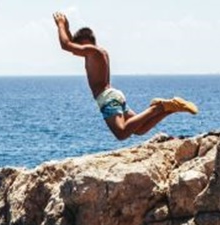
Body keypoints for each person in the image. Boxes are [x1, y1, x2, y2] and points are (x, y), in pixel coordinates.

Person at [53, 11, 198, 141]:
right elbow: (70, 43)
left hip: (107, 97)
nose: (77, 50)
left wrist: (59, 24)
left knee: (121, 133)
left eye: (79, 45)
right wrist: (66, 27)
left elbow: (66, 45)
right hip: (113, 95)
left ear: (86, 42)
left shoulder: (93, 51)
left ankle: (157, 108)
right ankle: (170, 108)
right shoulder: (96, 53)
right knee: (140, 129)